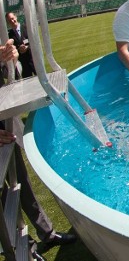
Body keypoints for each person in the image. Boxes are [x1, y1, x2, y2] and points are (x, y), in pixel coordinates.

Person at [1, 39, 78, 261]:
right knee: (4, 199)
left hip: (5, 123)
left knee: (21, 184)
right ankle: (21, 250)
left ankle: (46, 233)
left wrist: (11, 59)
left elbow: (11, 76)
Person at [6, 12, 36, 78]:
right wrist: (19, 49)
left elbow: (35, 41)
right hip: (23, 64)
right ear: (8, 23)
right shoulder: (9, 35)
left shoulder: (27, 28)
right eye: (9, 20)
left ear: (16, 17)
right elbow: (12, 49)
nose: (12, 21)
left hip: (34, 60)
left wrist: (27, 47)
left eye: (12, 18)